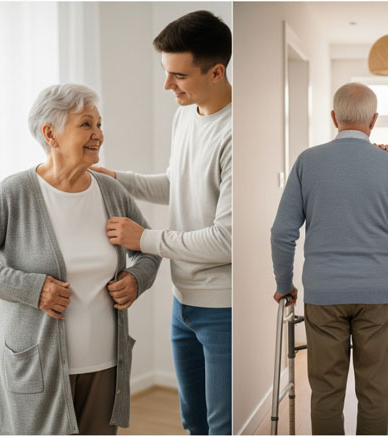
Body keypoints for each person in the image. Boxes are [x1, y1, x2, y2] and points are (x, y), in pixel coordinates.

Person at [0, 84, 161, 435]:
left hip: (105, 364)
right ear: (50, 134)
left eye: (100, 125)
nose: (98, 135)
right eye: (86, 124)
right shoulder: (16, 192)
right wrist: (32, 288)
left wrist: (136, 279)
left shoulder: (112, 192)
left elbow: (147, 249)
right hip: (37, 365)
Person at [91, 10, 231, 434]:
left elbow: (226, 240)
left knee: (220, 426)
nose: (168, 85)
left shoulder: (234, 134)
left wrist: (144, 238)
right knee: (193, 423)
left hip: (222, 305)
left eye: (179, 76)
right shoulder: (186, 115)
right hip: (182, 299)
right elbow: (178, 183)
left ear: (217, 71)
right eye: (166, 73)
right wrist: (118, 179)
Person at [271, 82, 388, 434]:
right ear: (373, 121)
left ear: (333, 118)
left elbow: (282, 232)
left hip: (324, 294)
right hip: (378, 292)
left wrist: (284, 284)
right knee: (374, 391)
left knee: (326, 391)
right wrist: (385, 259)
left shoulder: (308, 162)